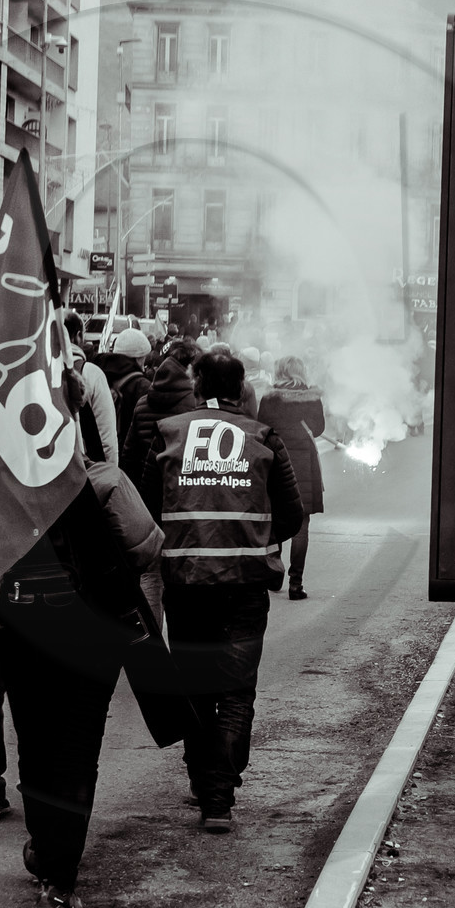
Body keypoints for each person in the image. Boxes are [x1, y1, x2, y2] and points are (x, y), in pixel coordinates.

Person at [0, 429, 162, 908]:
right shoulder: (104, 481)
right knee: (76, 752)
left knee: (35, 744)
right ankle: (57, 879)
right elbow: (146, 547)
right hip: (92, 635)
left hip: (20, 629)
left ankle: (48, 852)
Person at [142, 350, 303, 832]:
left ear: (196, 384)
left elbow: (145, 505)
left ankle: (202, 782)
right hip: (245, 586)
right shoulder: (263, 438)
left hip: (186, 582)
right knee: (235, 691)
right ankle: (219, 796)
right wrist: (255, 536)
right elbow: (292, 514)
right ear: (241, 390)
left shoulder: (168, 433)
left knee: (194, 687)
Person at [120, 337, 201, 628]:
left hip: (146, 499)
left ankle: (151, 643)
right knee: (182, 578)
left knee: (151, 575)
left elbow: (129, 456)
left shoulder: (144, 402)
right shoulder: (194, 407)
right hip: (182, 500)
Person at [258, 357, 326, 600]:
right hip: (303, 463)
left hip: (274, 460)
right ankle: (296, 584)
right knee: (302, 525)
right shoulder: (312, 397)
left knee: (271, 519)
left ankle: (274, 570)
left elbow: (260, 428)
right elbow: (318, 429)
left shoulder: (269, 398)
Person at [63, 313, 118, 464]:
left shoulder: (39, 372)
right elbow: (106, 437)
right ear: (78, 336)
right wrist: (110, 473)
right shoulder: (91, 373)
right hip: (86, 470)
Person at [93, 327, 152, 447]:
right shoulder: (142, 386)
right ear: (139, 358)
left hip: (100, 450)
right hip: (128, 452)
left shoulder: (97, 374)